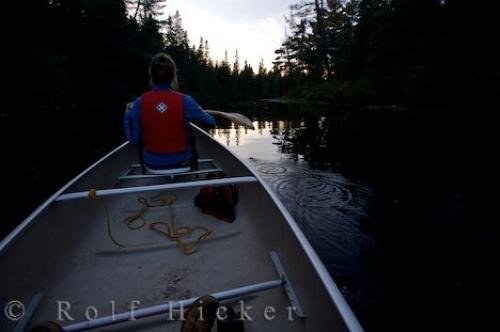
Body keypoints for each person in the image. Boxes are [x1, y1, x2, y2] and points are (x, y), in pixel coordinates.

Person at [124, 53, 215, 171]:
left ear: (151, 76)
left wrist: (127, 116)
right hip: (183, 161)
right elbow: (211, 122)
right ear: (173, 77)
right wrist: (198, 111)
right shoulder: (186, 100)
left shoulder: (139, 103)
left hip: (152, 164)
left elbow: (134, 140)